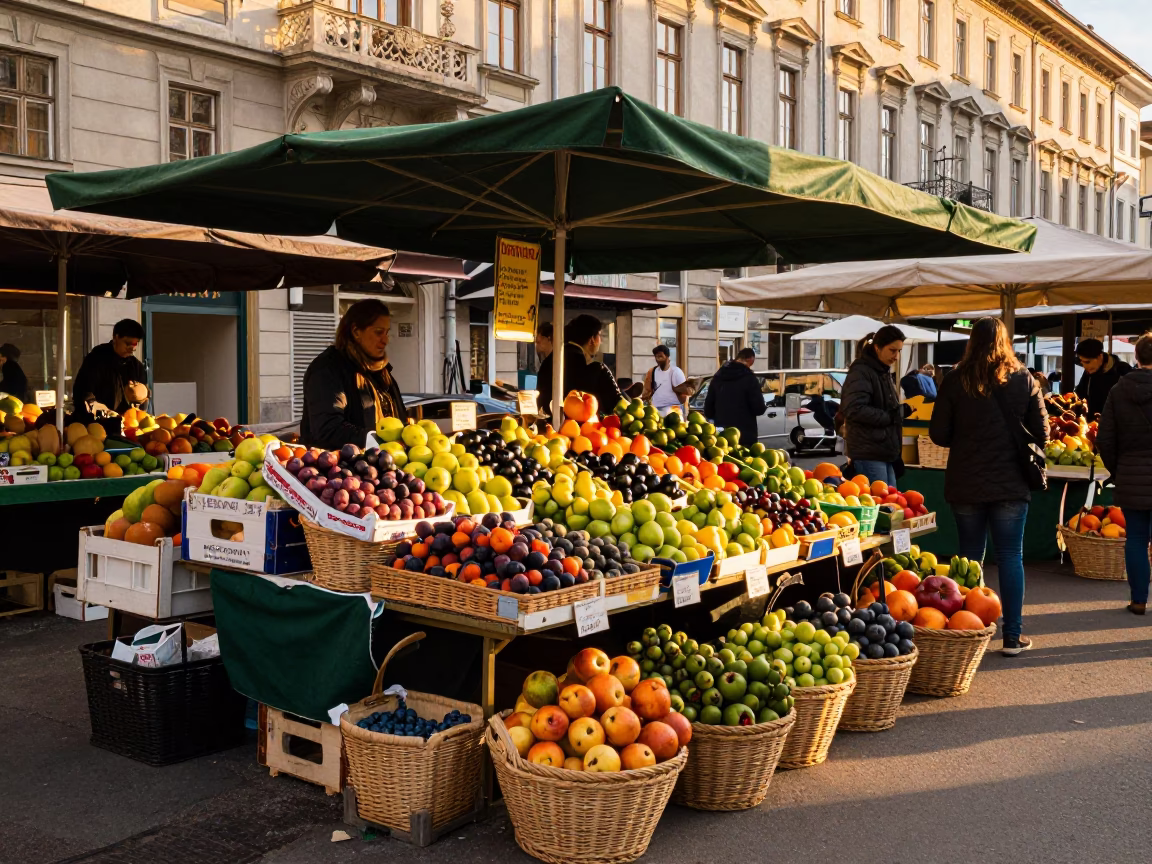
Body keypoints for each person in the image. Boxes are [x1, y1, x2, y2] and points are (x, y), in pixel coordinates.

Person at [929, 317, 1047, 656]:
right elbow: (1041, 434)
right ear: (1005, 342)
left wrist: (967, 436)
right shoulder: (1024, 379)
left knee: (969, 557)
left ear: (971, 343)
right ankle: (1012, 636)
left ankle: (969, 632)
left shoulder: (954, 380)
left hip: (966, 480)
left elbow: (938, 434)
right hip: (1011, 483)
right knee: (1011, 556)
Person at [1095, 332, 1152, 616]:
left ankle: (1139, 599)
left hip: (1131, 473)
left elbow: (1105, 439)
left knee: (1137, 540)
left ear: (1137, 357)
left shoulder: (1118, 391)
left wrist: (1118, 469)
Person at [301, 299, 407, 449]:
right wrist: (377, 441)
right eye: (378, 332)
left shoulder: (382, 372)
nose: (385, 340)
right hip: (343, 468)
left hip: (386, 463)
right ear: (356, 331)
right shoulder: (327, 369)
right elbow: (327, 430)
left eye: (387, 332)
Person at [840, 326, 906, 487]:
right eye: (892, 350)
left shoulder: (881, 371)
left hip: (884, 452)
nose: (896, 356)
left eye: (899, 351)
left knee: (891, 505)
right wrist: (891, 416)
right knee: (880, 506)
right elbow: (854, 409)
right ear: (877, 347)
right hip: (869, 452)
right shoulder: (862, 371)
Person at [537, 314, 625, 417]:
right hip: (577, 429)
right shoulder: (595, 369)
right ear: (592, 340)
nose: (600, 341)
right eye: (599, 335)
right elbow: (619, 405)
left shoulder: (551, 360)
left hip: (547, 425)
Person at [72, 318, 148, 421]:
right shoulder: (97, 358)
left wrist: (141, 398)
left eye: (135, 344)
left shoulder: (136, 366)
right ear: (116, 337)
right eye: (127, 343)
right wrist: (97, 407)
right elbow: (83, 391)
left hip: (128, 424)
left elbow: (142, 399)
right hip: (98, 423)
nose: (132, 348)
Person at [704, 347, 766, 449]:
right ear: (750, 360)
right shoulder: (750, 378)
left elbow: (708, 409)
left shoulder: (718, 376)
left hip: (722, 435)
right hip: (745, 436)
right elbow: (759, 408)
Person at [1075, 337, 1131, 418]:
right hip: (1092, 424)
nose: (1084, 366)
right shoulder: (1089, 371)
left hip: (1116, 425)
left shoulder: (1122, 370)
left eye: (1087, 362)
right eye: (1081, 361)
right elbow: (1080, 394)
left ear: (1100, 356)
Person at [643, 345, 693, 416]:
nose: (658, 359)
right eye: (656, 357)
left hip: (673, 411)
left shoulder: (676, 372)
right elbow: (647, 390)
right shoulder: (653, 371)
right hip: (656, 410)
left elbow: (684, 395)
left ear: (667, 357)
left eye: (660, 356)